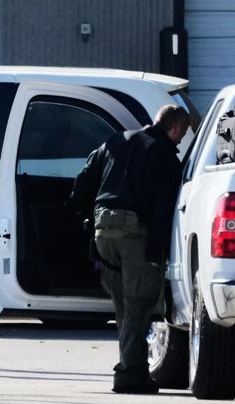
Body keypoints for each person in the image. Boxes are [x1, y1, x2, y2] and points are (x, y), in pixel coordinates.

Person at [67, 104, 190, 394]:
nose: (181, 140)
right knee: (139, 303)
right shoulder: (166, 158)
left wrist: (83, 214)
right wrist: (157, 253)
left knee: (125, 305)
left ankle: (133, 369)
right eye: (182, 134)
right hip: (134, 233)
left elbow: (83, 180)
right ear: (174, 128)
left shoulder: (116, 141)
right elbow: (162, 209)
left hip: (103, 229)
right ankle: (128, 374)